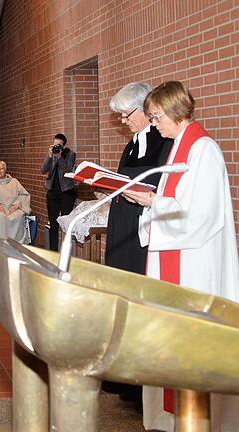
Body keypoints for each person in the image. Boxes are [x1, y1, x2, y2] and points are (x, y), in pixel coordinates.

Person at [122, 81, 239, 432]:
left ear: (175, 111)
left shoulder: (203, 149)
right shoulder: (178, 147)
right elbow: (176, 200)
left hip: (194, 263)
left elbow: (201, 216)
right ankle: (171, 419)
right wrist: (150, 200)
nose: (153, 123)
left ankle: (201, 420)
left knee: (192, 345)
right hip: (177, 256)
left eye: (156, 116)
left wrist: (151, 202)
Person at [102, 82, 174, 406]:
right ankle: (124, 382)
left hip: (144, 228)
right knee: (123, 296)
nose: (123, 121)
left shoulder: (163, 142)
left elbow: (163, 183)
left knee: (140, 298)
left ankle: (144, 386)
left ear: (145, 111)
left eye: (125, 114)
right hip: (124, 225)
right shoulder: (132, 143)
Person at [40, 133, 76, 250]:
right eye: (55, 145)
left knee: (65, 223)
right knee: (53, 223)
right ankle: (53, 252)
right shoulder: (52, 155)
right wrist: (50, 156)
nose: (57, 147)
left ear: (63, 146)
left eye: (59, 145)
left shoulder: (70, 154)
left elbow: (67, 170)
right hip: (52, 192)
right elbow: (43, 169)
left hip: (66, 192)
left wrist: (59, 157)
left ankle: (66, 252)